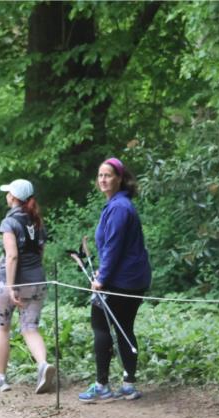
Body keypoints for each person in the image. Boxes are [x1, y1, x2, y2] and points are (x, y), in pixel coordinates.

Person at [78, 157, 151, 403]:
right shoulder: (119, 204)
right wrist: (102, 271)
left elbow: (114, 246)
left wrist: (102, 278)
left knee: (100, 326)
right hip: (130, 278)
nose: (103, 179)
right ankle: (128, 385)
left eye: (108, 175)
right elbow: (113, 248)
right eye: (100, 175)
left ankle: (102, 386)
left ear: (120, 178)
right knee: (124, 328)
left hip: (122, 280)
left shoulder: (119, 207)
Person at [0, 178, 55, 394]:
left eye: (8, 193)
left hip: (11, 282)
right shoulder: (37, 220)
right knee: (30, 328)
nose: (6, 195)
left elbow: (12, 256)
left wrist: (10, 286)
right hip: (37, 281)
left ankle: (1, 378)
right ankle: (43, 364)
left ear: (13, 197)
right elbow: (40, 252)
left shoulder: (9, 222)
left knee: (2, 327)